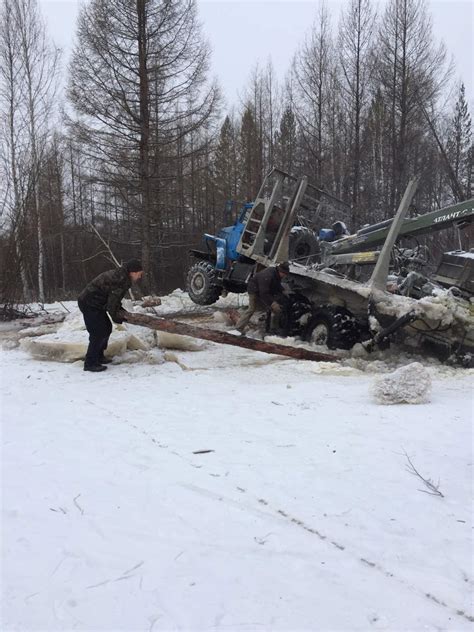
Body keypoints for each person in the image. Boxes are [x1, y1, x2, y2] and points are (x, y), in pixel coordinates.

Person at [78, 259, 144, 372]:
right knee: (98, 332)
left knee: (106, 328)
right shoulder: (121, 279)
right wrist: (117, 317)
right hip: (89, 303)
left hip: (97, 304)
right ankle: (90, 363)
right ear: (133, 272)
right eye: (139, 274)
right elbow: (112, 304)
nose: (140, 277)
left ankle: (99, 356)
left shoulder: (123, 277)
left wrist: (120, 312)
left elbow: (114, 299)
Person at [236, 261, 290, 335]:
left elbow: (276, 285)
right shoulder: (268, 275)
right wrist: (273, 303)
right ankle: (238, 328)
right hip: (254, 290)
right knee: (252, 309)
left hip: (264, 291)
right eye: (284, 274)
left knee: (271, 309)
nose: (285, 276)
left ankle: (271, 329)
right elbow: (263, 293)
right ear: (280, 271)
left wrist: (283, 291)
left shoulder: (276, 274)